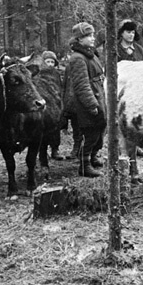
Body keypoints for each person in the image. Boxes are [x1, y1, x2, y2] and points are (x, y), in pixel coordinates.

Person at [64, 22, 106, 178]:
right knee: (91, 133)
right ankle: (84, 164)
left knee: (100, 130)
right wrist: (91, 104)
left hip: (99, 96)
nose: (93, 38)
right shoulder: (78, 58)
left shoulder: (91, 54)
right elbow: (81, 85)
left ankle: (93, 156)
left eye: (93, 35)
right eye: (88, 36)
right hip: (89, 101)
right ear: (79, 39)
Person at [42, 50, 66, 161]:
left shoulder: (56, 74)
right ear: (43, 62)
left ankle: (55, 150)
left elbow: (60, 86)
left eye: (52, 62)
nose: (50, 64)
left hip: (56, 103)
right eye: (48, 61)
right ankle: (43, 151)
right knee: (44, 129)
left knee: (56, 128)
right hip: (46, 103)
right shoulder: (40, 73)